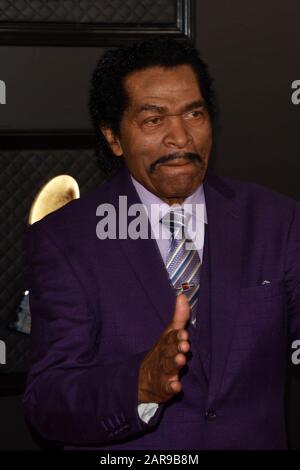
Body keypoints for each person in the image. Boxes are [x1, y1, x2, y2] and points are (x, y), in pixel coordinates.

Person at [22, 37, 300, 450]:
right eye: (154, 120)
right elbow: (47, 402)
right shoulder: (65, 240)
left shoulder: (277, 221)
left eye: (194, 113)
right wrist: (139, 386)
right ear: (114, 137)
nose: (180, 137)